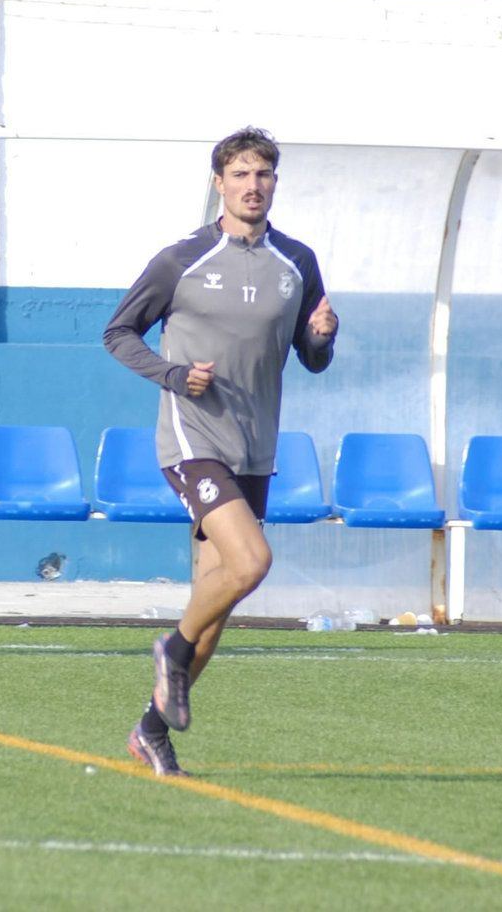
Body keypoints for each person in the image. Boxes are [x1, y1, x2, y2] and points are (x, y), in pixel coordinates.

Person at [103, 127, 338, 776]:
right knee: (253, 560)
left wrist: (322, 338)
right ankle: (170, 652)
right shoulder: (182, 259)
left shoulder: (298, 262)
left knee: (220, 601)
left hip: (254, 446)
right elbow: (117, 332)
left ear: (274, 183)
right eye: (240, 174)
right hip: (192, 437)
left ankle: (151, 729)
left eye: (263, 175)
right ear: (219, 183)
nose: (252, 185)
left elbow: (311, 360)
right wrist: (175, 377)